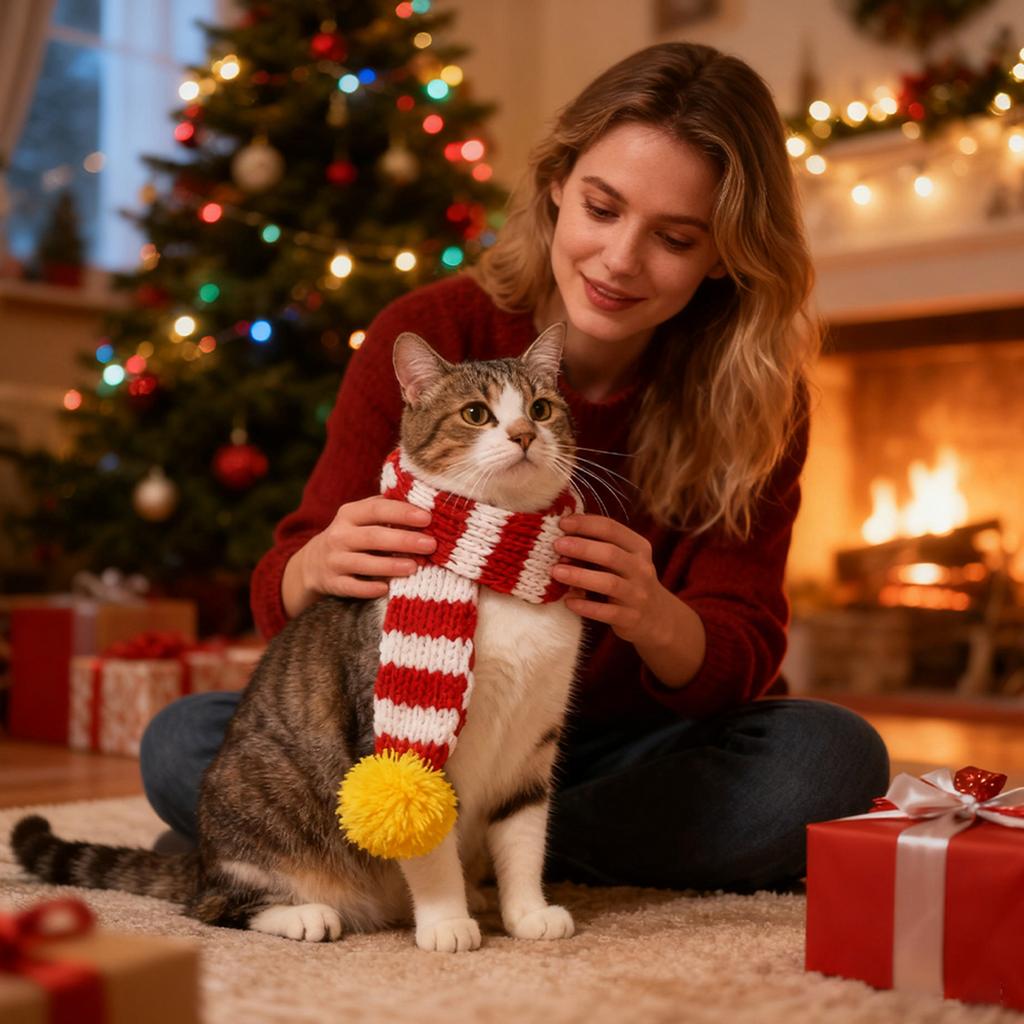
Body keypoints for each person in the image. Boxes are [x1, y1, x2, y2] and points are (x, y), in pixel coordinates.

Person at [141, 41, 889, 891]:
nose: (619, 260)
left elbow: (740, 657)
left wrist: (653, 614)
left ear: (725, 253)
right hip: (414, 731)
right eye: (602, 209)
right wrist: (316, 565)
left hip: (619, 747)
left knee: (827, 760)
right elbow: (290, 604)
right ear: (557, 186)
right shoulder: (432, 333)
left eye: (674, 238)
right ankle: (455, 846)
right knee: (184, 741)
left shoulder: (755, 396)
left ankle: (451, 854)